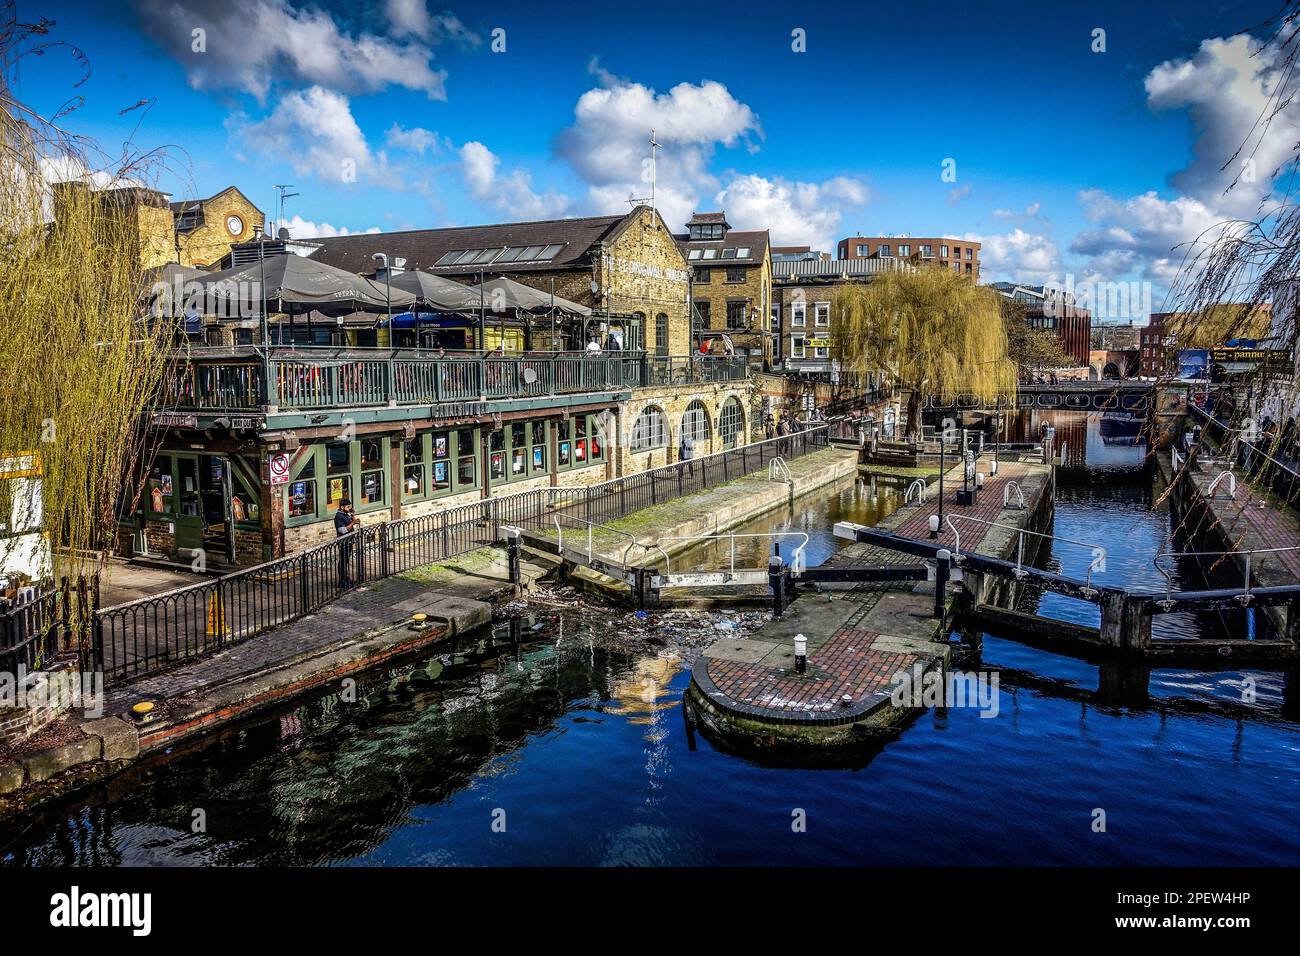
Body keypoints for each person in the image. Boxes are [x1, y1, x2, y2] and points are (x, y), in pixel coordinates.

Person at [335, 498, 360, 587]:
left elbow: (352, 521)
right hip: (343, 542)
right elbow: (343, 530)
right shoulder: (339, 517)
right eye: (348, 507)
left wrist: (353, 515)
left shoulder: (346, 514)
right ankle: (342, 582)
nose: (350, 508)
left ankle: (346, 578)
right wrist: (353, 522)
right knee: (342, 561)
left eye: (350, 506)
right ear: (342, 507)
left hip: (349, 541)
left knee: (346, 561)